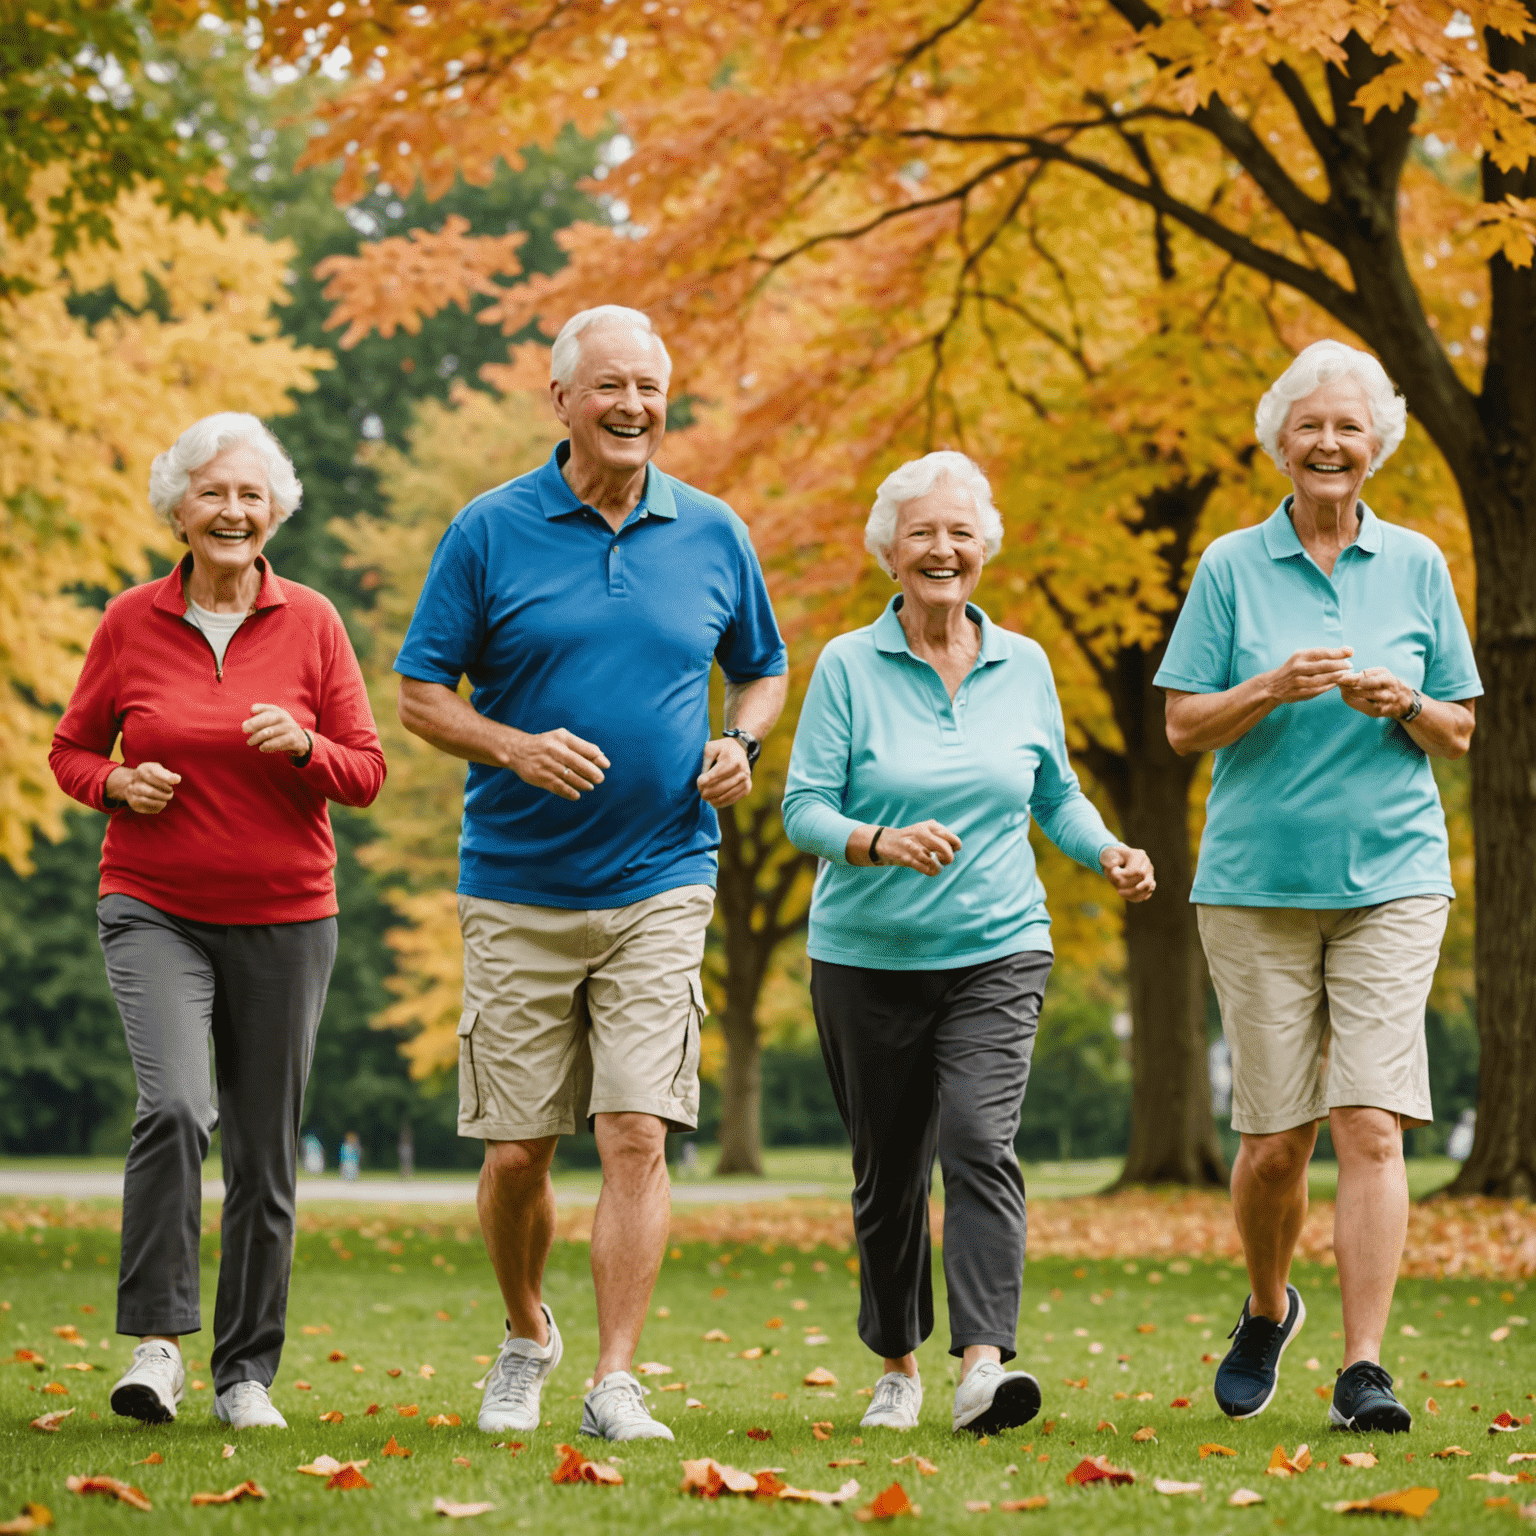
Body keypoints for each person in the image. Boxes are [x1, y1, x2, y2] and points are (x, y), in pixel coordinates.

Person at [394, 305, 788, 1442]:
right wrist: (514, 746)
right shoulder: (488, 529)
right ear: (560, 401)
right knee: (519, 1149)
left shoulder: (712, 531)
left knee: (636, 1131)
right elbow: (421, 694)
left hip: (664, 873)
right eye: (608, 386)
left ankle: (616, 1377)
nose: (632, 407)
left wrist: (741, 743)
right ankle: (527, 1333)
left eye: (650, 387)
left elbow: (760, 668)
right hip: (517, 878)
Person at [781, 450, 1155, 1436]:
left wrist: (1108, 848)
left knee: (981, 1143)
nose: (942, 549)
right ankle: (898, 1367)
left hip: (999, 946)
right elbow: (801, 809)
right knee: (887, 1172)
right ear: (889, 554)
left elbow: (1055, 796)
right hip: (865, 957)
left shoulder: (1023, 663)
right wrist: (875, 841)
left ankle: (983, 1368)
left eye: (959, 534)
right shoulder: (848, 668)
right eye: (922, 535)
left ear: (984, 547)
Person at [1155, 339, 1481, 1434]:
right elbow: (1182, 724)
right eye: (1310, 426)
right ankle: (1265, 1307)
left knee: (1372, 1127)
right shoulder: (1229, 568)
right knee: (1273, 1143)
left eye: (1349, 427)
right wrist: (1267, 686)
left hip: (1393, 875)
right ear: (1280, 444)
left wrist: (1404, 705)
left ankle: (1364, 1368)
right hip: (1254, 885)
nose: (1330, 443)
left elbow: (1462, 728)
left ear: (1375, 445)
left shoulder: (1419, 565)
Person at [49, 412, 386, 1431]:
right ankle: (157, 1347)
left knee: (265, 1151)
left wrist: (304, 748)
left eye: (250, 495)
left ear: (274, 510)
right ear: (180, 512)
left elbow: (365, 772)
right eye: (212, 494)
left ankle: (245, 1375)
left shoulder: (314, 623)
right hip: (154, 906)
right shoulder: (128, 623)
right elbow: (69, 750)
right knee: (176, 1109)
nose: (232, 511)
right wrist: (116, 783)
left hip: (288, 917)